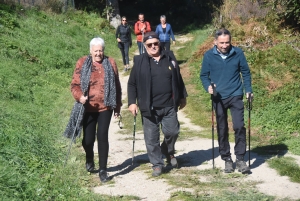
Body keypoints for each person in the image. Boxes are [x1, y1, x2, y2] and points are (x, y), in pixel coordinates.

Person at [127, 31, 188, 177]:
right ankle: (157, 164)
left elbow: (178, 78)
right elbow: (132, 84)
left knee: (172, 132)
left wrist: (182, 96)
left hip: (169, 105)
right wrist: (132, 103)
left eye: (155, 43)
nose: (153, 46)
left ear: (159, 43)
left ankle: (167, 150)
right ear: (145, 45)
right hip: (149, 107)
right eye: (150, 44)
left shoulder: (169, 57)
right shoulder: (140, 61)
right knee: (151, 137)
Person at [200, 28, 253, 174]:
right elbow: (204, 75)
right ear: (215, 42)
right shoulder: (209, 56)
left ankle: (240, 159)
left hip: (236, 94)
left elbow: (246, 73)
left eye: (227, 42)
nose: (225, 46)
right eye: (221, 43)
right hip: (218, 97)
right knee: (222, 128)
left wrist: (248, 90)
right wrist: (208, 87)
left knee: (239, 126)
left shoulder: (238, 53)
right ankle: (227, 159)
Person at [70, 37, 122, 182]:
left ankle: (103, 170)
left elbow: (117, 86)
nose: (98, 53)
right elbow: (74, 85)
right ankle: (89, 157)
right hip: (88, 107)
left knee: (102, 136)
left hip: (106, 106)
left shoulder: (110, 62)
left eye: (101, 50)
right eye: (96, 51)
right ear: (91, 51)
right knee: (88, 140)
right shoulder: (82, 62)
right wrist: (80, 97)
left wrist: (117, 106)